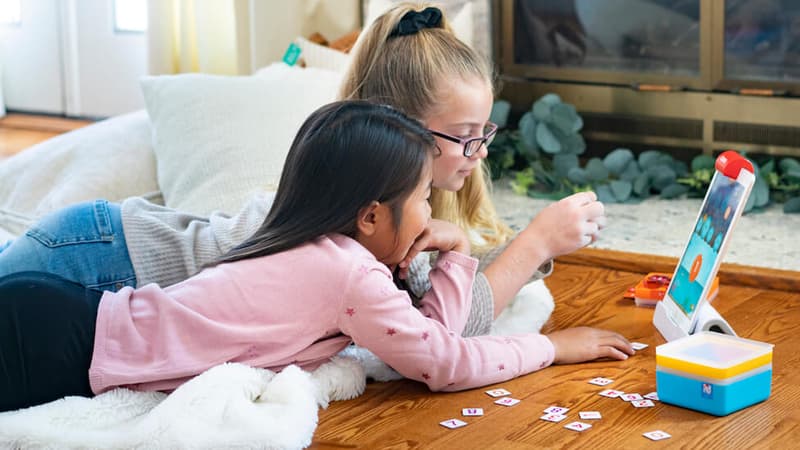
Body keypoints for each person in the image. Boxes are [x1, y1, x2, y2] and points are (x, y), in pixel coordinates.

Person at [0, 4, 604, 336]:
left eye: (485, 133)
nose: (480, 155)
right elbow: (455, 331)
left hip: (104, 269)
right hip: (100, 261)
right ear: (399, 133)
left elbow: (439, 320)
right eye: (466, 138)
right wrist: (538, 241)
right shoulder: (344, 212)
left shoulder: (396, 215)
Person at [0, 100, 633, 413]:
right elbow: (442, 361)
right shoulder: (348, 272)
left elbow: (428, 341)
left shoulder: (327, 249)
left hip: (63, 318)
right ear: (370, 216)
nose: (431, 213)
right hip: (57, 335)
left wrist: (460, 251)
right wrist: (552, 347)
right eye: (421, 198)